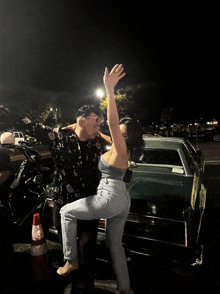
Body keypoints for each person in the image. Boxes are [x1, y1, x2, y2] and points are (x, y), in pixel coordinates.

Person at [0, 104, 111, 292]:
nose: (99, 126)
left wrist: (94, 130)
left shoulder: (98, 141)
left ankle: (84, 286)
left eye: (101, 122)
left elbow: (118, 141)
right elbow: (29, 125)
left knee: (87, 248)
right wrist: (4, 109)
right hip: (63, 203)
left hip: (90, 203)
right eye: (96, 122)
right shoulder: (59, 138)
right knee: (68, 249)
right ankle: (73, 279)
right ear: (82, 120)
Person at [57, 64, 143, 294]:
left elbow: (112, 125)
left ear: (125, 137)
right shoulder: (123, 149)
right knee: (115, 245)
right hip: (123, 199)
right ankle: (125, 289)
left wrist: (110, 90)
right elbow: (107, 133)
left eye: (121, 134)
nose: (117, 136)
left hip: (109, 197)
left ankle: (71, 260)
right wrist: (76, 125)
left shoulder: (120, 147)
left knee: (65, 212)